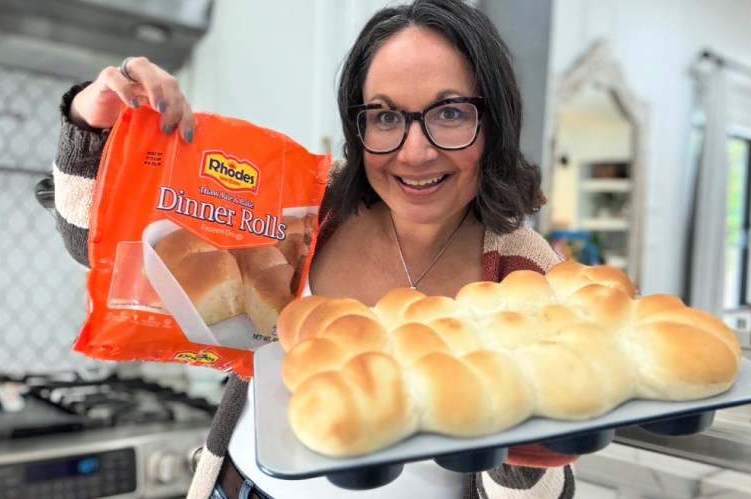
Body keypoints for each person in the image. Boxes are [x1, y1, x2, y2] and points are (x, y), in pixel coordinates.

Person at [53, 1, 577, 497]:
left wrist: (516, 410)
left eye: (450, 113)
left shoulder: (529, 277)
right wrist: (92, 120)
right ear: (358, 123)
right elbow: (92, 245)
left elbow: (551, 487)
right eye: (386, 117)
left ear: (494, 121)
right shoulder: (311, 203)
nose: (415, 152)